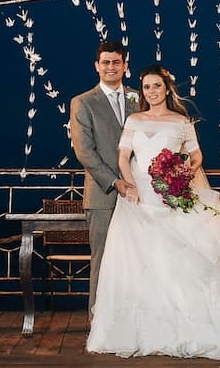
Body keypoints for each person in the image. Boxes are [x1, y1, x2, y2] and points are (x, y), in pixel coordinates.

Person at [86, 65, 220, 361]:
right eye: (146, 87)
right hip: (139, 199)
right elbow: (123, 157)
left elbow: (197, 154)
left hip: (170, 195)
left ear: (167, 89)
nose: (151, 92)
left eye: (156, 86)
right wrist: (128, 186)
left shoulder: (181, 122)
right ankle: (141, 330)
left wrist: (182, 173)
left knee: (179, 262)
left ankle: (190, 329)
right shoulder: (134, 120)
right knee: (139, 263)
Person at [70, 40, 138, 315]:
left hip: (140, 193)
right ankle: (98, 323)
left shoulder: (139, 97)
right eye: (106, 62)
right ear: (97, 66)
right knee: (103, 260)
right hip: (103, 195)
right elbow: (84, 151)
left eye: (116, 62)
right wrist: (114, 181)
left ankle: (133, 319)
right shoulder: (83, 102)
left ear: (125, 65)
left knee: (138, 258)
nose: (111, 67)